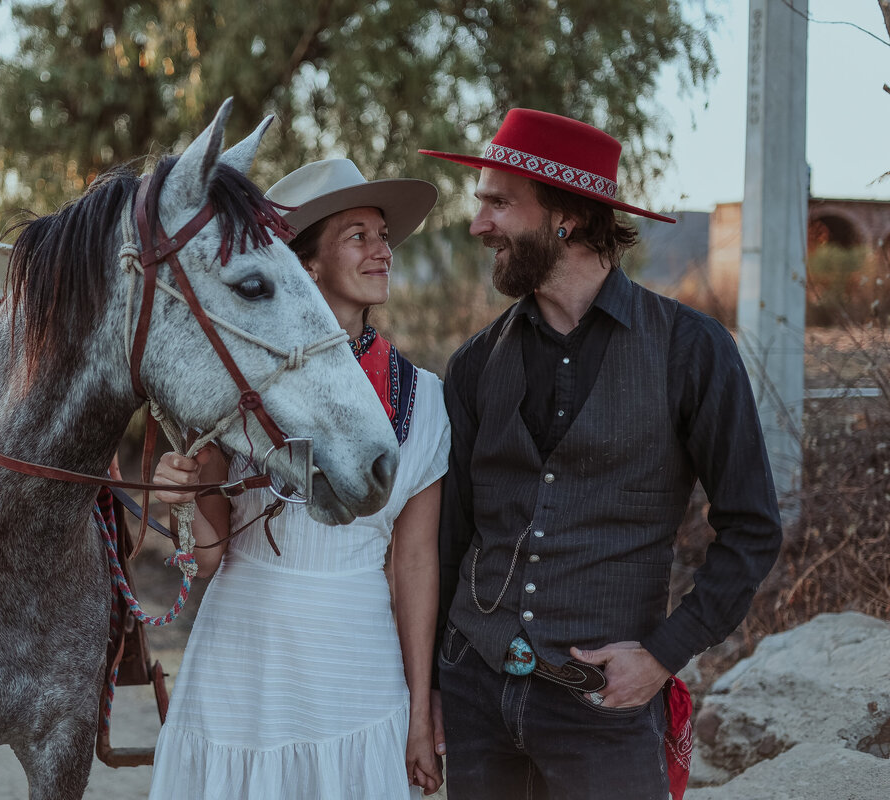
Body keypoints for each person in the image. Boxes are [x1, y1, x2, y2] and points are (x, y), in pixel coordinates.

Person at [418, 109, 783, 799]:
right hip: (475, 695)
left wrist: (662, 656)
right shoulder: (472, 365)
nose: (478, 224)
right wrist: (435, 687)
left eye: (499, 202)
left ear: (568, 218)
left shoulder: (691, 351)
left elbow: (752, 530)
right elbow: (451, 541)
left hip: (604, 710)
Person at [146, 158, 449, 799]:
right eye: (358, 236)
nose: (381, 251)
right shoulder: (245, 390)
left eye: (383, 235)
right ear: (307, 264)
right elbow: (210, 550)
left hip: (358, 661)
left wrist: (421, 712)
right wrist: (183, 495)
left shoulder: (426, 400)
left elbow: (417, 564)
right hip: (245, 658)